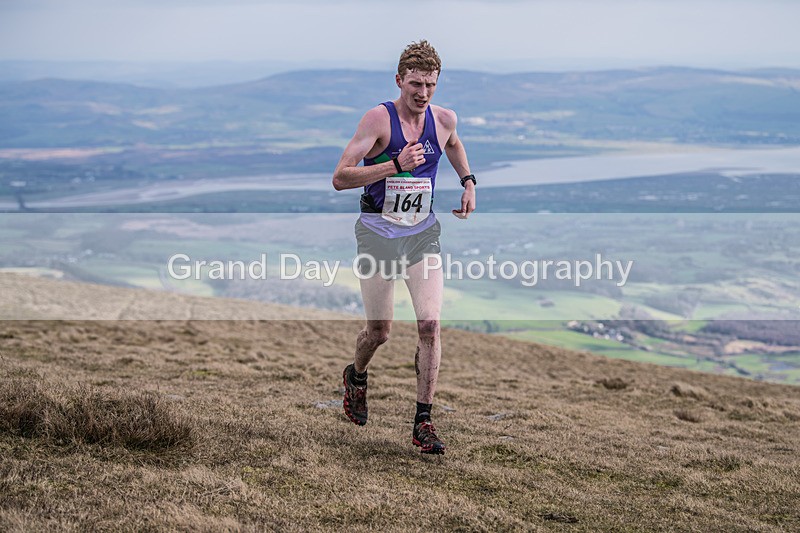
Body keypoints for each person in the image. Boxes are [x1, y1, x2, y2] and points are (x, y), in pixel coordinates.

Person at [332, 40, 476, 454]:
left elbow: (452, 144)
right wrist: (395, 165)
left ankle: (423, 422)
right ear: (399, 80)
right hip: (377, 232)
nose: (423, 93)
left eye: (430, 84)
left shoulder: (444, 119)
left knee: (430, 324)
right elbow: (341, 177)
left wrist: (468, 182)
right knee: (380, 332)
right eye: (415, 83)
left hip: (421, 233)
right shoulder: (378, 120)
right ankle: (356, 376)